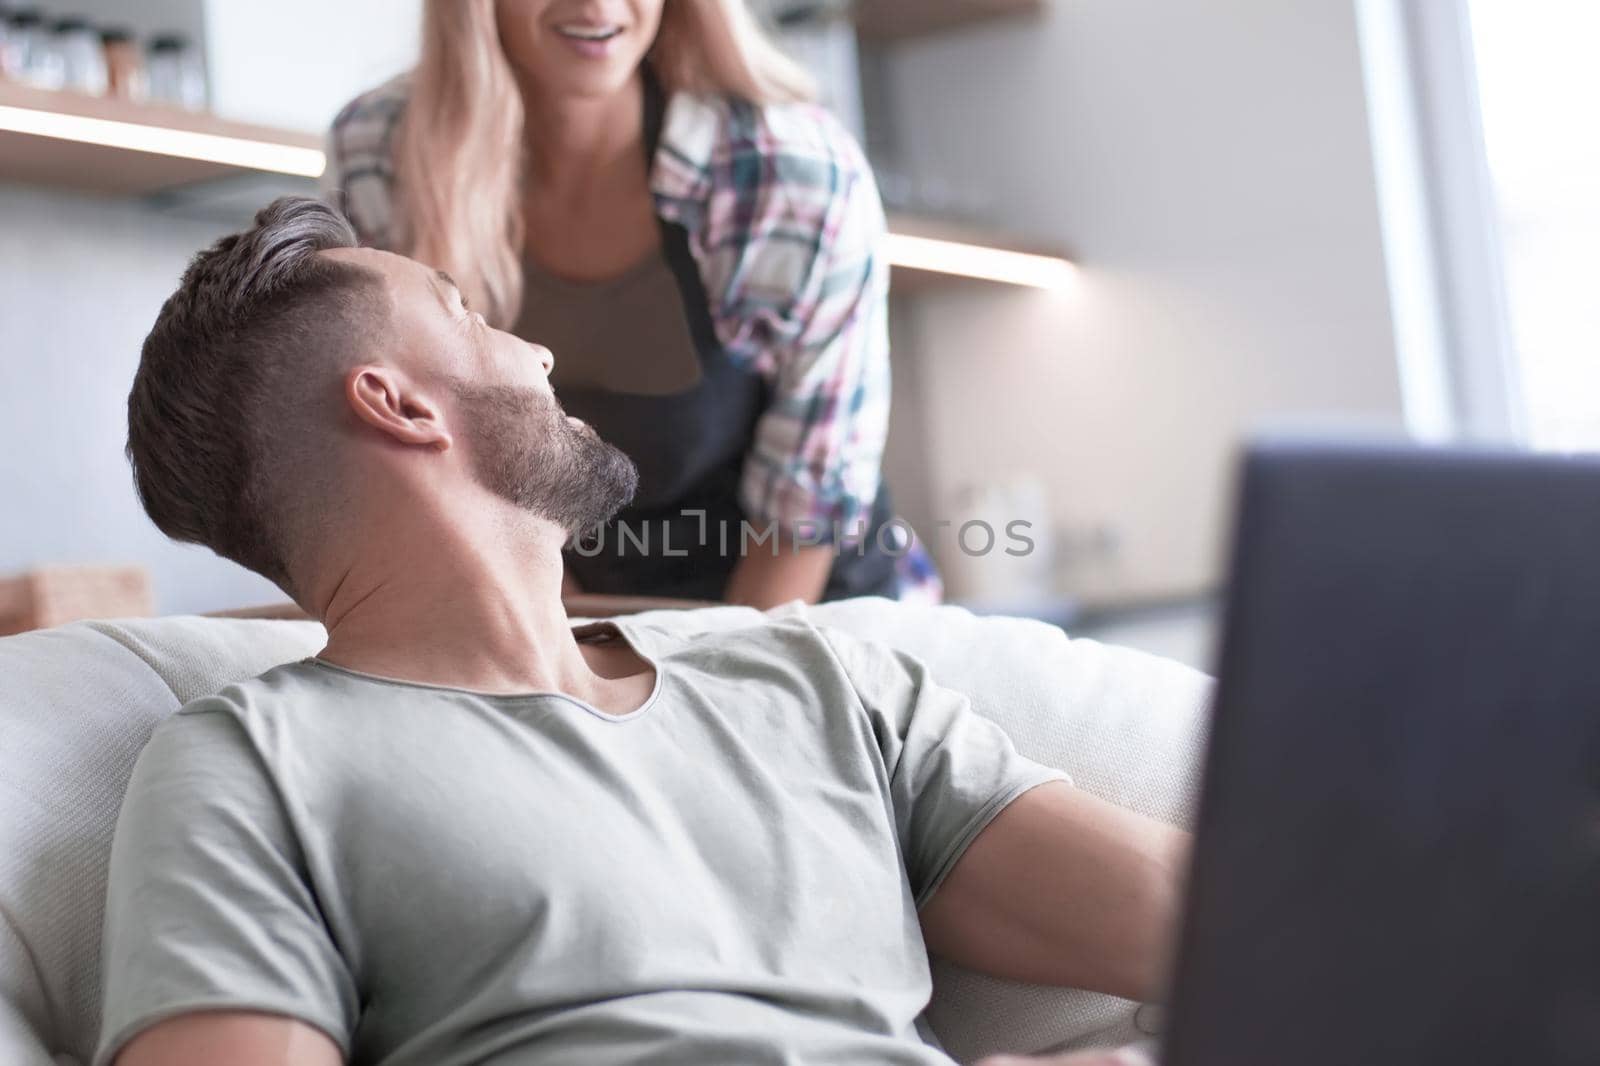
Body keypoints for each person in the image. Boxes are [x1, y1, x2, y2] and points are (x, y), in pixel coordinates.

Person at [100, 198, 1184, 1066]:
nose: (537, 353)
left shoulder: (808, 676)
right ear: (400, 406)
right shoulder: (250, 765)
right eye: (470, 314)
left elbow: (1234, 924)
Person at [324, 0, 939, 609]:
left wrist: (701, 691)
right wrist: (569, 658)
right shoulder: (381, 150)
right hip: (551, 617)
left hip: (799, 612)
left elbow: (803, 518)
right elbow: (422, 468)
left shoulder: (787, 174)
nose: (597, 7)